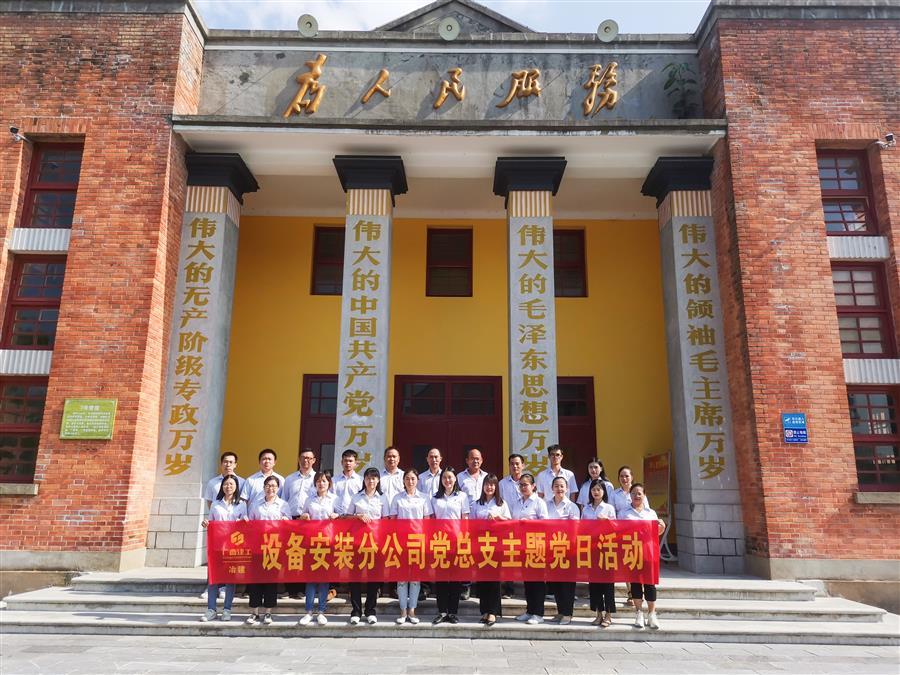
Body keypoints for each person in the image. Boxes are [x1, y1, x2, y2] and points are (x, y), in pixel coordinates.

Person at [344, 467, 390, 625]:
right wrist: (358, 516)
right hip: (357, 542)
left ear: (378, 481)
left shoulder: (383, 498)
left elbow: (387, 520)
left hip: (375, 543)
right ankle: (356, 611)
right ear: (364, 480)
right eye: (368, 478)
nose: (371, 481)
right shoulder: (356, 497)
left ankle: (370, 610)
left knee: (373, 577)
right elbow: (346, 517)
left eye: (374, 478)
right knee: (355, 577)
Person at [245, 475, 291, 625]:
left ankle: (268, 612)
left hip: (274, 547)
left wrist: (285, 521)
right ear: (264, 487)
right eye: (268, 486)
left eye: (274, 486)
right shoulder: (256, 504)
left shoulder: (283, 505)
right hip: (258, 546)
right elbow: (250, 523)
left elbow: (289, 525)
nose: (271, 488)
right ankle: (254, 612)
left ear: (278, 488)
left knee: (271, 580)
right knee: (255, 579)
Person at [200, 474, 247, 622]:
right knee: (213, 578)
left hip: (233, 546)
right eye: (226, 484)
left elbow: (245, 524)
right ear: (222, 487)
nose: (228, 487)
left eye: (231, 484)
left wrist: (244, 521)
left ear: (236, 487)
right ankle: (211, 609)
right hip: (217, 546)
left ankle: (227, 609)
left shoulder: (241, 505)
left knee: (230, 579)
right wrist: (206, 523)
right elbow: (211, 522)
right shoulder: (216, 504)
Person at [389, 468, 431, 624]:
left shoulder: (424, 498)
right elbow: (392, 520)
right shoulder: (397, 498)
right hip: (401, 542)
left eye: (413, 478)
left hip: (418, 541)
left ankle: (412, 610)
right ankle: (403, 610)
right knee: (401, 578)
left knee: (415, 578)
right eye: (407, 478)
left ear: (417, 480)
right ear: (403, 480)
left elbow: (427, 521)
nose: (410, 481)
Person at [621, 482, 666, 630]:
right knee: (635, 584)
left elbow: (656, 533)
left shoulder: (650, 513)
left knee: (649, 584)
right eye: (633, 493)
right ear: (630, 496)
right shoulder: (624, 513)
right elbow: (619, 532)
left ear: (644, 495)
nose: (636, 496)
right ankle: (639, 612)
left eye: (639, 493)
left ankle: (652, 613)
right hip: (632, 552)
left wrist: (662, 528)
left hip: (648, 552)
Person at [297, 471, 338, 627]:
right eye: (319, 481)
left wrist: (336, 516)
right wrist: (304, 516)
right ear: (315, 484)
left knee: (324, 578)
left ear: (329, 483)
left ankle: (321, 611)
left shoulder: (335, 499)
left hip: (328, 542)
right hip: (312, 542)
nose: (321, 484)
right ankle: (308, 611)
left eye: (324, 481)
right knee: (311, 578)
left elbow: (342, 516)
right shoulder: (309, 499)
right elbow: (303, 515)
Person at [429, 467, 469, 625]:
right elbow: (432, 520)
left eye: (450, 477)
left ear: (455, 479)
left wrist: (464, 539)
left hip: (456, 541)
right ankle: (442, 611)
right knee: (441, 578)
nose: (447, 480)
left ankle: (452, 612)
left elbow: (465, 519)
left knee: (455, 578)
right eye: (444, 477)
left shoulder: (462, 496)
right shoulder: (435, 498)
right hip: (440, 542)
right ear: (441, 480)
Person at [470, 474, 510, 626]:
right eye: (487, 484)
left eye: (492, 485)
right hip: (481, 545)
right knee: (483, 580)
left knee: (494, 579)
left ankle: (493, 612)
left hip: (496, 545)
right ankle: (484, 611)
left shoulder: (501, 503)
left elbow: (509, 522)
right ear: (483, 486)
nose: (489, 487)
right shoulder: (476, 504)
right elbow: (471, 524)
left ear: (496, 487)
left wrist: (499, 518)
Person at [510, 472, 548, 625]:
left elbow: (545, 523)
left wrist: (529, 523)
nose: (523, 487)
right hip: (521, 545)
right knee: (527, 580)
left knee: (537, 580)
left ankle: (538, 613)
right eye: (521, 485)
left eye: (526, 485)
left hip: (536, 545)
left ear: (533, 486)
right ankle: (530, 610)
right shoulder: (517, 502)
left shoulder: (539, 502)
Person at [545, 475, 580, 625]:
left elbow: (575, 528)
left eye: (562, 486)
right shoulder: (546, 504)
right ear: (552, 488)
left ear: (566, 489)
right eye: (556, 486)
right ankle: (560, 612)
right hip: (551, 548)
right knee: (555, 582)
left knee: (567, 583)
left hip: (568, 549)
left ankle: (568, 613)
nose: (559, 489)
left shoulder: (572, 506)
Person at [582, 478, 617, 627]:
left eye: (599, 489)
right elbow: (582, 528)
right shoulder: (586, 509)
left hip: (606, 549)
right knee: (594, 584)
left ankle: (608, 615)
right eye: (593, 489)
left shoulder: (609, 508)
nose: (596, 492)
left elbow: (616, 528)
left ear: (604, 491)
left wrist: (606, 522)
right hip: (592, 549)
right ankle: (598, 614)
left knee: (608, 584)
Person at [498, 453, 525, 598]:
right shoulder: (502, 484)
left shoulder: (528, 482)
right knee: (509, 557)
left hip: (525, 525)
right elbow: (499, 502)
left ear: (523, 465)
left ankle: (530, 588)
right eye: (512, 464)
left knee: (527, 556)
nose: (515, 466)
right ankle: (508, 589)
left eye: (517, 463)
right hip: (508, 524)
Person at [333, 449, 363, 515]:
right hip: (337, 517)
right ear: (342, 462)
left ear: (356, 463)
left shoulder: (361, 480)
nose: (348, 463)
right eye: (345, 460)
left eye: (350, 461)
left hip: (354, 517)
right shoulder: (334, 480)